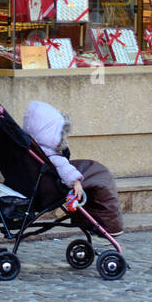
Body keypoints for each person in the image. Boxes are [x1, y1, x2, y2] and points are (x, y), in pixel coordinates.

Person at [23, 99, 124, 236]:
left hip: (35, 185)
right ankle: (111, 226)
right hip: (48, 189)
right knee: (101, 179)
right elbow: (65, 169)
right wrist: (76, 182)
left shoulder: (33, 149)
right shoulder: (51, 155)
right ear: (51, 134)